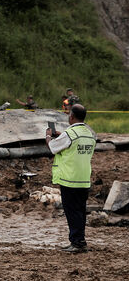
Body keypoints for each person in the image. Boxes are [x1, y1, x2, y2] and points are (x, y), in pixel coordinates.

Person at [46, 104, 95, 253]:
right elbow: (74, 144)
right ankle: (80, 240)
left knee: (72, 212)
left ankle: (77, 243)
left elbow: (54, 147)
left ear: (72, 116)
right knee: (80, 211)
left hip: (69, 179)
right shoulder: (89, 133)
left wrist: (48, 136)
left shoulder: (70, 133)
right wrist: (62, 135)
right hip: (84, 179)